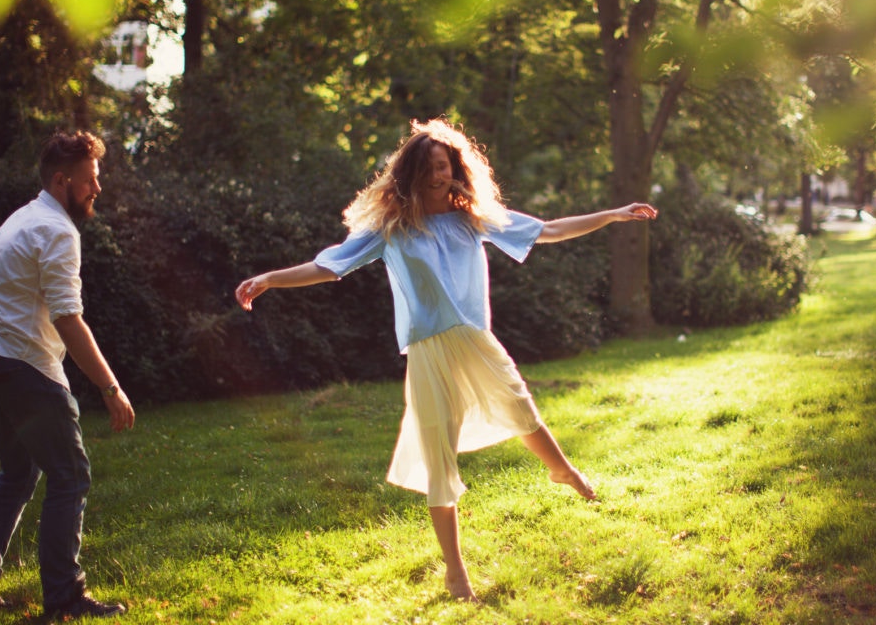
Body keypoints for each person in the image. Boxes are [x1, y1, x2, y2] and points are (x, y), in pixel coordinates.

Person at [235, 119, 657, 602]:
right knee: (438, 457)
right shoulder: (391, 229)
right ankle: (456, 573)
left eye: (444, 166)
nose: (438, 176)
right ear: (411, 174)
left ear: (455, 169)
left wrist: (614, 214)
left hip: (474, 339)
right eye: (429, 168)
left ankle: (560, 469)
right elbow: (328, 266)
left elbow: (548, 230)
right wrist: (269, 279)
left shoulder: (472, 218)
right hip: (427, 348)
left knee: (519, 407)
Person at [0, 131, 135, 619]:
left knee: (17, 474)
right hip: (24, 366)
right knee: (70, 475)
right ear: (61, 180)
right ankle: (65, 597)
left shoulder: (20, 220)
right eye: (90, 180)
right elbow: (68, 319)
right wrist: (110, 387)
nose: (97, 189)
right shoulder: (55, 230)